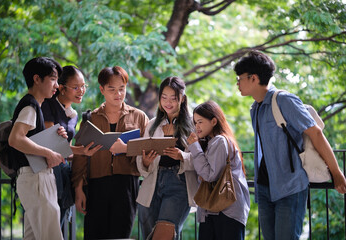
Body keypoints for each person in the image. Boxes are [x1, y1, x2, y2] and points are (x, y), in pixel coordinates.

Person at [234, 50, 346, 239]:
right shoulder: (255, 108)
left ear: (253, 78)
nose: (237, 83)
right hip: (263, 188)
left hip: (290, 187)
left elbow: (316, 134)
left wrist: (336, 172)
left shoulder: (284, 100)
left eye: (240, 79)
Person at [71, 66, 149, 239]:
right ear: (102, 89)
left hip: (127, 185)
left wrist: (129, 149)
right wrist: (78, 189)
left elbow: (148, 148)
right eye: (112, 89)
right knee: (94, 235)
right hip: (96, 185)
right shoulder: (90, 119)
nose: (118, 94)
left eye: (122, 89)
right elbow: (80, 157)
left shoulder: (139, 117)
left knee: (121, 236)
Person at [8, 57, 66, 239]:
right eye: (53, 79)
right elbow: (15, 139)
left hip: (32, 178)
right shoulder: (31, 105)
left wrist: (55, 140)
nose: (57, 85)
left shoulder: (34, 106)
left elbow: (28, 140)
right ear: (37, 79)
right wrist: (48, 152)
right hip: (36, 178)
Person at [136, 76, 198, 240]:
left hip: (179, 182)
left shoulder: (193, 124)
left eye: (173, 98)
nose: (168, 102)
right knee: (148, 234)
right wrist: (145, 162)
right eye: (164, 97)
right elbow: (139, 157)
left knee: (164, 234)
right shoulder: (152, 124)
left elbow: (202, 158)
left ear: (182, 99)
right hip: (152, 184)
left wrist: (181, 156)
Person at [41, 66, 102, 229]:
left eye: (83, 86)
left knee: (59, 223)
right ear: (61, 88)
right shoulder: (48, 104)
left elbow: (65, 148)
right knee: (47, 225)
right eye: (76, 87)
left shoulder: (73, 114)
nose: (81, 91)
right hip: (46, 171)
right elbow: (52, 143)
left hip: (62, 169)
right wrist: (81, 150)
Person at [187, 100, 250, 240]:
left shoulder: (220, 141)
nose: (196, 127)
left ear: (214, 121)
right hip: (219, 209)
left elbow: (209, 175)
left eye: (200, 122)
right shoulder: (214, 141)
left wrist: (195, 147)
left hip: (226, 210)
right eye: (195, 122)